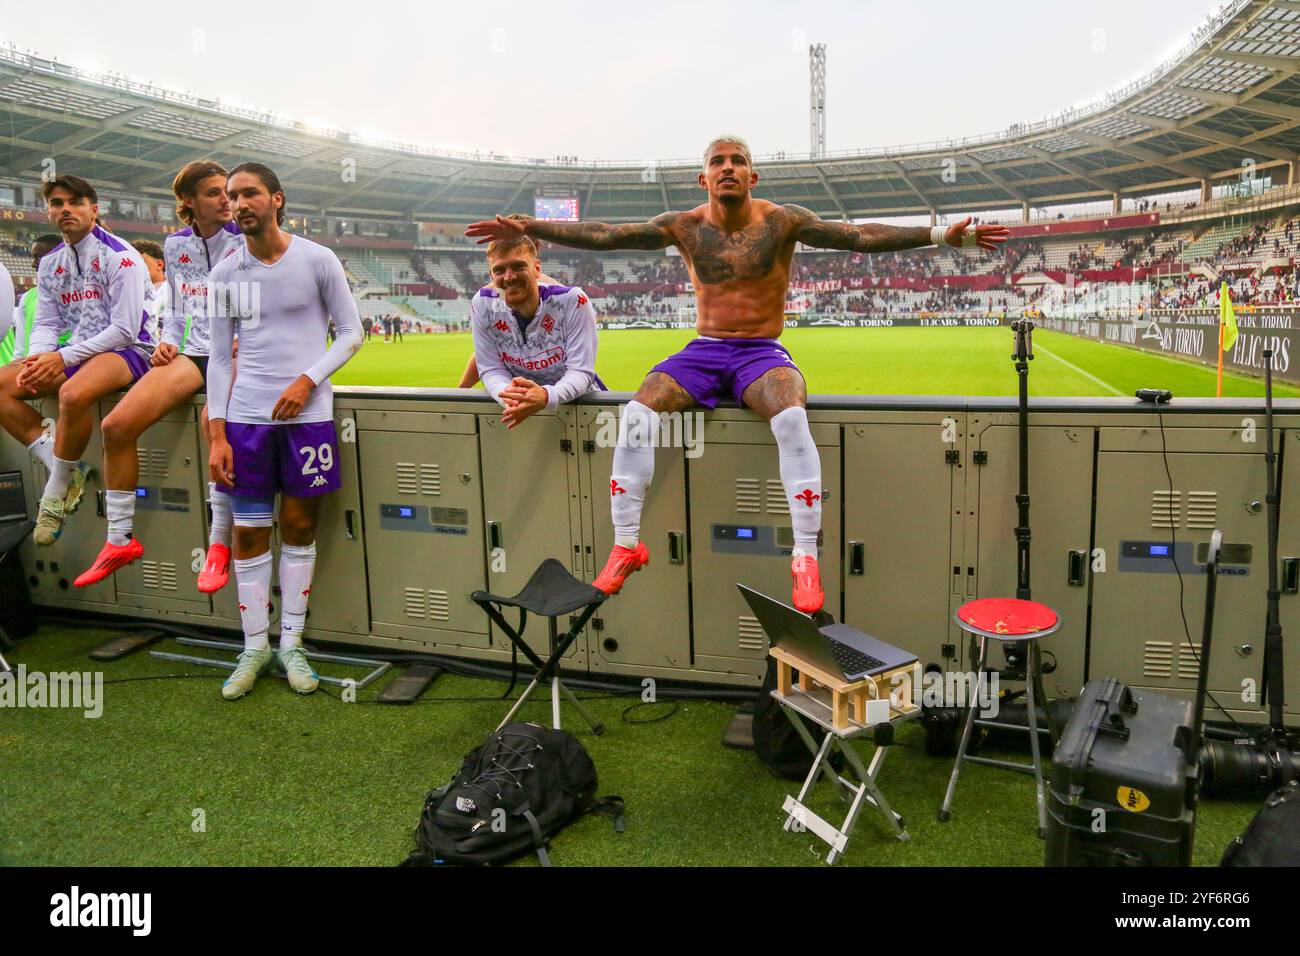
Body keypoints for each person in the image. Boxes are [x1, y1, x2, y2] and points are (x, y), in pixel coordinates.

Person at [467, 136, 1007, 612]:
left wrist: (939, 236)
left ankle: (803, 555)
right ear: (702, 177)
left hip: (760, 351)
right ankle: (627, 543)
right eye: (718, 161)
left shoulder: (781, 220)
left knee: (792, 419)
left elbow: (856, 236)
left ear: (753, 175)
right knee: (636, 412)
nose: (728, 167)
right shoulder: (684, 226)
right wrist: (531, 226)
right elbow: (608, 234)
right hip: (703, 351)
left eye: (738, 160)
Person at [205, 162, 363, 700]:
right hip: (246, 422)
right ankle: (254, 647)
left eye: (250, 193)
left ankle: (291, 642)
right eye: (231, 196)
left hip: (309, 420)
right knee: (249, 535)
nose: (239, 203)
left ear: (276, 198)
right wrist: (217, 434)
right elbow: (220, 361)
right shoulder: (225, 274)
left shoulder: (317, 260)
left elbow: (351, 334)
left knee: (298, 528)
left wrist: (307, 379)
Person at [74, 160, 242, 589]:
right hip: (195, 351)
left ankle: (219, 544)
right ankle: (119, 540)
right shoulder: (175, 246)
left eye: (228, 191)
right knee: (115, 426)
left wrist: (251, 335)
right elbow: (180, 308)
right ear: (188, 202)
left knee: (212, 423)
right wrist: (168, 339)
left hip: (244, 349)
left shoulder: (246, 237)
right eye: (213, 193)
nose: (226, 199)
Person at [0, 175, 154, 546]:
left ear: (94, 209)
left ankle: (53, 498)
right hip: (78, 351)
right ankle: (65, 466)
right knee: (2, 385)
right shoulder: (51, 263)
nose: (65, 209)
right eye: (56, 203)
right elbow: (48, 322)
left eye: (75, 202)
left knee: (72, 393)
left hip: (129, 350)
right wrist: (38, 358)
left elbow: (125, 330)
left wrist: (61, 356)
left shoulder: (121, 256)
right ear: (49, 212)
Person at [469, 225, 602, 428]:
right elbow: (490, 368)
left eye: (518, 266)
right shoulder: (482, 304)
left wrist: (546, 395)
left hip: (581, 412)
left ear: (537, 268)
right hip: (520, 414)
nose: (509, 277)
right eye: (499, 270)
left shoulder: (572, 301)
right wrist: (510, 398)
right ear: (490, 275)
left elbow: (581, 372)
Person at [1, 235, 71, 367]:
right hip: (30, 369)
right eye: (33, 257)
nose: (33, 264)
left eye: (38, 258)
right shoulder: (28, 297)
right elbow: (20, 347)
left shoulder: (79, 294)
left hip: (63, 369)